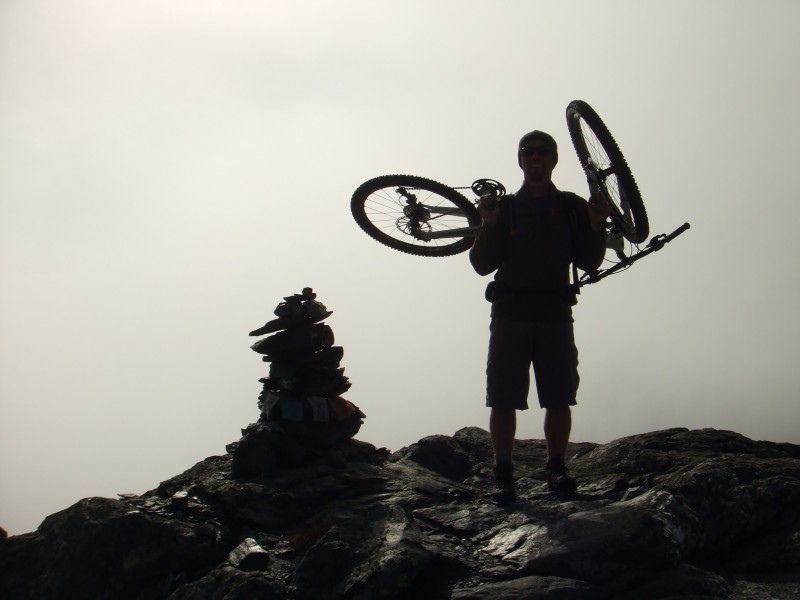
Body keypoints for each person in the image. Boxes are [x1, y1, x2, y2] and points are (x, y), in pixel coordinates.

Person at [469, 130, 610, 504]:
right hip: (511, 314)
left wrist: (595, 225)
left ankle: (557, 468)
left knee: (559, 397)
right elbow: (482, 264)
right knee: (502, 398)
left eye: (543, 152)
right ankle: (503, 474)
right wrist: (490, 224)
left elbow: (588, 261)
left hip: (554, 315)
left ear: (554, 159)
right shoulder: (506, 207)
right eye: (528, 152)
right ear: (520, 160)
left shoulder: (572, 206)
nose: (535, 157)